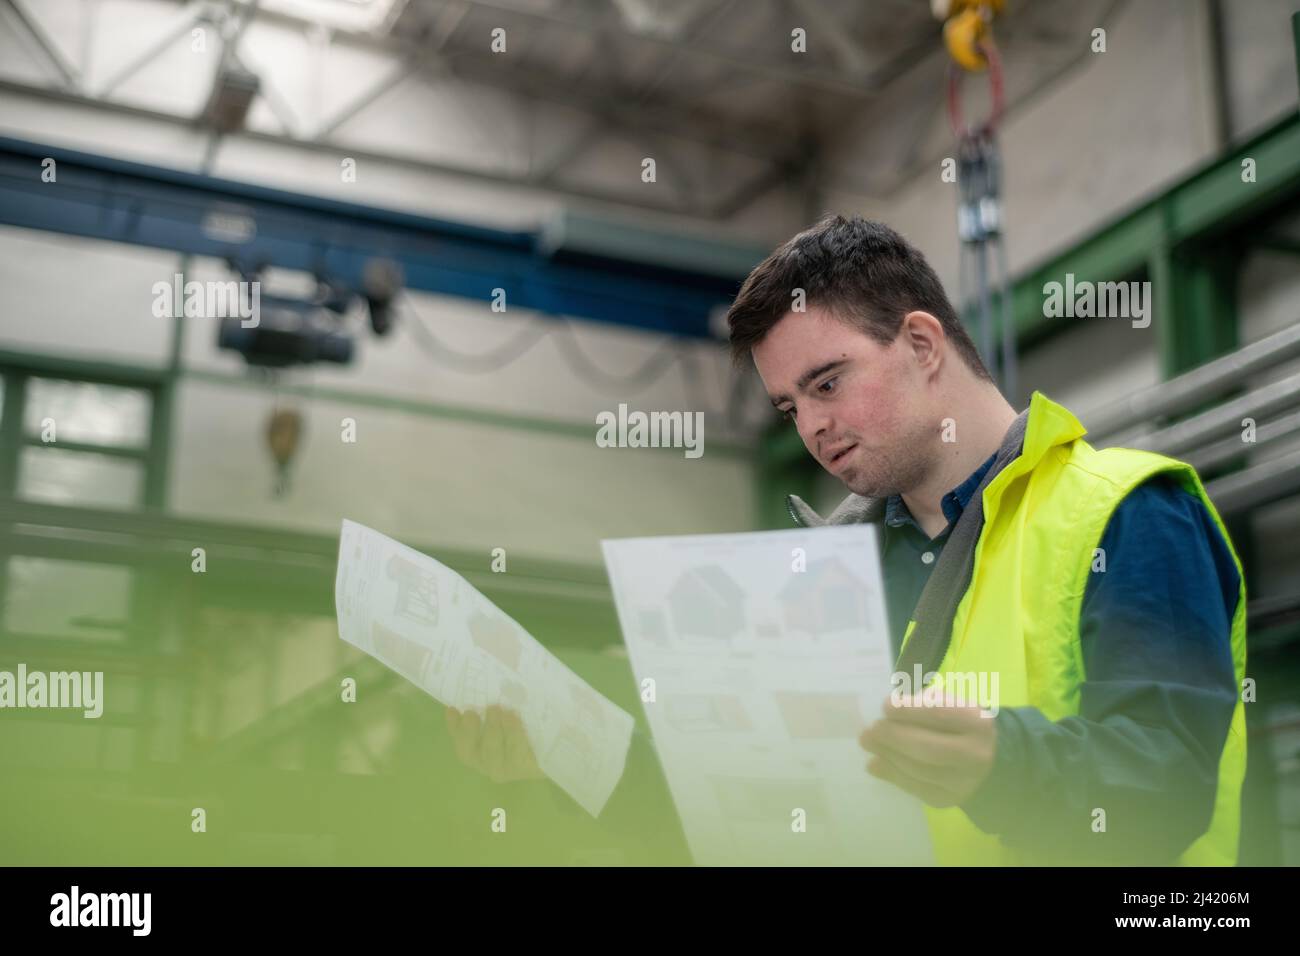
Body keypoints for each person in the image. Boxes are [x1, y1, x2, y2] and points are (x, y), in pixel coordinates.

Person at [448, 215, 1247, 866]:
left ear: (923, 345)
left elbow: (1164, 792)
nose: (814, 428)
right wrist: (567, 762)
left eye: (828, 383)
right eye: (791, 407)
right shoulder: (826, 570)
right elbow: (752, 805)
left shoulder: (1129, 514)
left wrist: (1001, 765)